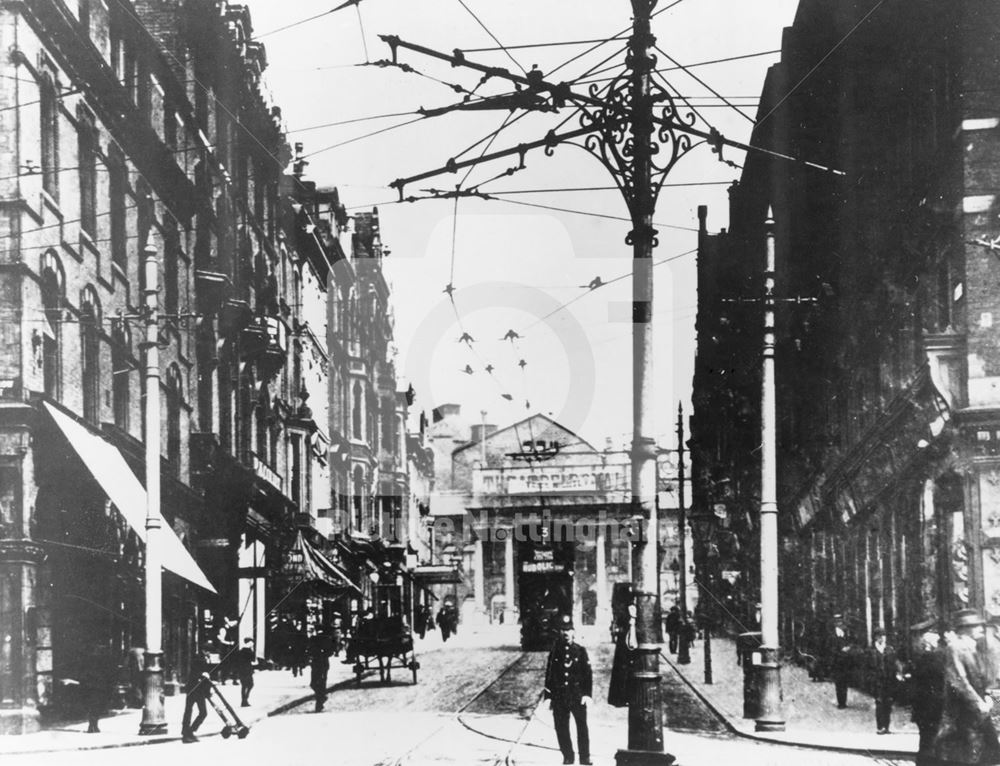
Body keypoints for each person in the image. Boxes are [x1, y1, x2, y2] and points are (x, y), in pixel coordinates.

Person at [933, 608, 1000, 765]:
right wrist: (979, 703)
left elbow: (984, 679)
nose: (980, 629)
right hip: (961, 715)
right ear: (964, 628)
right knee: (964, 757)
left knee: (985, 755)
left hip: (977, 715)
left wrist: (988, 698)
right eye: (975, 625)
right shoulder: (955, 647)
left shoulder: (976, 648)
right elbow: (958, 680)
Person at [543, 615, 593, 766]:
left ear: (574, 632)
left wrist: (587, 694)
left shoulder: (580, 651)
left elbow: (587, 674)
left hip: (577, 696)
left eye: (569, 630)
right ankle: (568, 756)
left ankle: (585, 758)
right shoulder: (555, 652)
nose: (566, 633)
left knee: (582, 728)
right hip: (560, 697)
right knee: (561, 728)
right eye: (563, 630)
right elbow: (550, 674)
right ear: (560, 632)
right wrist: (548, 696)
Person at [907, 619, 945, 765]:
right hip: (931, 709)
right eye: (933, 633)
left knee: (926, 743)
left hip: (924, 710)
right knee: (929, 745)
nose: (937, 637)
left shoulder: (922, 658)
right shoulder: (931, 658)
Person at [867, 628, 902, 734]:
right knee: (879, 702)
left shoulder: (889, 649)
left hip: (889, 681)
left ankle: (886, 726)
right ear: (876, 637)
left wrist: (898, 673)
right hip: (877, 681)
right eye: (880, 636)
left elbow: (895, 663)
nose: (883, 638)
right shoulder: (871, 651)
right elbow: (867, 667)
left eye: (884, 636)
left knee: (888, 703)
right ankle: (880, 726)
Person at [608, 603, 636, 708]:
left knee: (624, 670)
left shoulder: (622, 610)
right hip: (625, 643)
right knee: (624, 670)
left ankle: (621, 697)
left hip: (624, 642)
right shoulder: (626, 611)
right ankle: (622, 697)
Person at [181, 651, 212, 744]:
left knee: (190, 711)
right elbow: (196, 673)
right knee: (201, 712)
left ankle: (187, 732)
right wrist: (202, 674)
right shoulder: (200, 659)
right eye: (208, 651)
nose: (209, 653)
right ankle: (188, 733)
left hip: (195, 690)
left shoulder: (202, 659)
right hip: (195, 690)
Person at [829, 614, 854, 709]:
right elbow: (831, 649)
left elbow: (851, 643)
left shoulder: (846, 633)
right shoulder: (832, 635)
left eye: (841, 621)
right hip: (837, 662)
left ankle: (844, 701)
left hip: (846, 661)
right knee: (839, 682)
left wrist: (849, 648)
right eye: (838, 622)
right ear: (835, 623)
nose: (840, 623)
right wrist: (840, 651)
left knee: (845, 682)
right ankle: (841, 702)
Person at [309, 630, 333, 712]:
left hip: (323, 663)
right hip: (315, 663)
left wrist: (323, 653)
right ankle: (322, 697)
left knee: (321, 683)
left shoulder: (326, 639)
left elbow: (330, 651)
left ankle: (319, 704)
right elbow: (309, 649)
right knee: (313, 684)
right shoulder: (313, 638)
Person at [235, 638, 256, 707]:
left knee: (244, 686)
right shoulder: (249, 651)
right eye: (252, 642)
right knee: (250, 685)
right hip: (247, 670)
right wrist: (252, 651)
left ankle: (244, 701)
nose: (253, 643)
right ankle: (245, 700)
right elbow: (253, 660)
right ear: (249, 643)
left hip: (241, 670)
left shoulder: (240, 651)